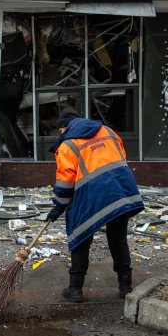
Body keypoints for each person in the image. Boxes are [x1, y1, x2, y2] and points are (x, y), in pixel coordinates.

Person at [46, 107, 144, 302]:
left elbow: (66, 182)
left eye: (60, 131)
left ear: (64, 127)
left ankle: (75, 289)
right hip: (120, 189)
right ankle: (126, 286)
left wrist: (59, 206)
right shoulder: (108, 131)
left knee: (80, 236)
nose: (61, 134)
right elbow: (120, 155)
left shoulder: (67, 144)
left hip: (92, 195)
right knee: (118, 238)